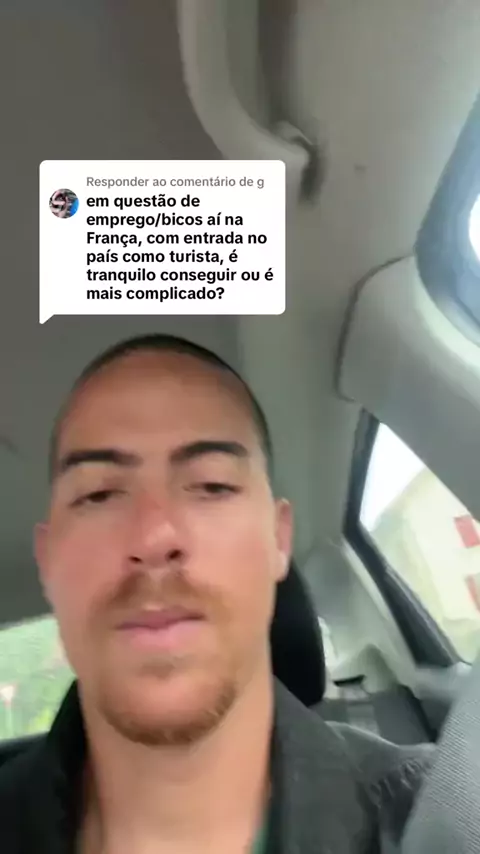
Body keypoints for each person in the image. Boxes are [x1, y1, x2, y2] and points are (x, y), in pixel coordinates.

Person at [0, 334, 434, 853]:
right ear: (47, 560)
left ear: (278, 540)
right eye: (98, 494)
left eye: (212, 485)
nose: (154, 538)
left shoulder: (445, 820)